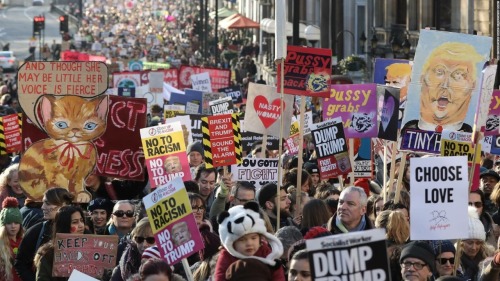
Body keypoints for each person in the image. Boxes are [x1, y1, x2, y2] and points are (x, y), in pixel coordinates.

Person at [402, 42, 485, 133]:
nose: (445, 85)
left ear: (473, 86)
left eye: (458, 75)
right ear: (422, 79)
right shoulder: (406, 132)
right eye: (439, 72)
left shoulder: (474, 137)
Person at [15, 187, 74, 281]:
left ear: (63, 205)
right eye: (43, 202)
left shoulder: (80, 229)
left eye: (47, 203)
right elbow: (20, 263)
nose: (42, 207)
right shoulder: (36, 230)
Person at [215, 202, 285, 281]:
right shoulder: (226, 256)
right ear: (232, 242)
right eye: (242, 240)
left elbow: (278, 275)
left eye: (253, 238)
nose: (249, 243)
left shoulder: (265, 251)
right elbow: (219, 276)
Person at [34, 205, 86, 280]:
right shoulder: (48, 255)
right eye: (75, 222)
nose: (81, 225)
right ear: (64, 226)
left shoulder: (90, 251)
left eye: (82, 221)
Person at [459, 206, 491, 281]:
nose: (474, 247)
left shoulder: (489, 260)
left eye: (478, 243)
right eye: (470, 242)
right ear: (461, 243)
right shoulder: (452, 262)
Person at [0, 197, 23, 281]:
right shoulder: (1, 245)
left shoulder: (25, 241)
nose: (13, 226)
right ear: (3, 225)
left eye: (16, 223)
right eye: (9, 223)